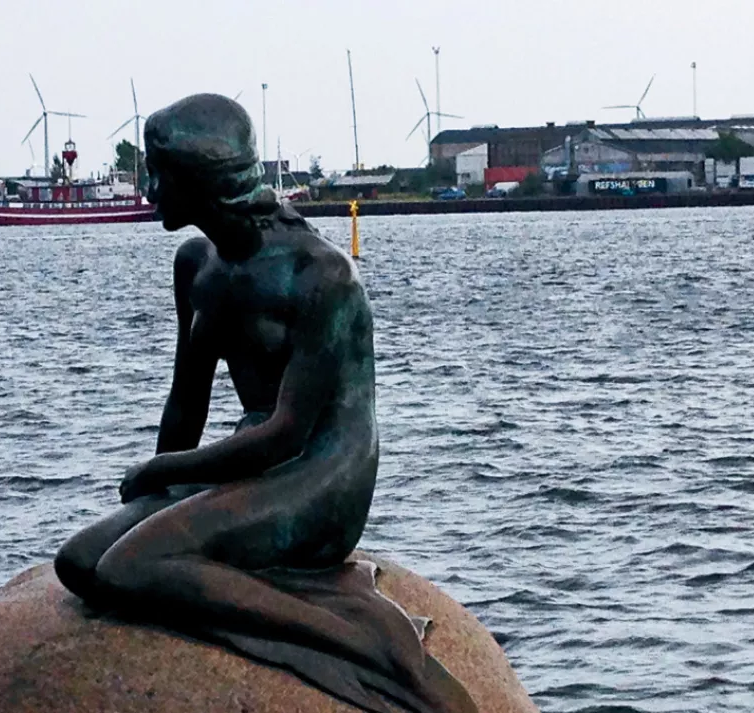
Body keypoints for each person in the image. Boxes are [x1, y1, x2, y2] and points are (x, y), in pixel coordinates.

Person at [52, 94, 474, 713]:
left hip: (320, 476)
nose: (147, 186)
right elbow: (186, 398)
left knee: (130, 570)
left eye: (158, 172)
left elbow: (287, 432)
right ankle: (239, 586)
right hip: (252, 464)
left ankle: (359, 637)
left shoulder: (320, 276)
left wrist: (166, 474)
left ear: (201, 181)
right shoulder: (196, 264)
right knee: (83, 563)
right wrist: (154, 496)